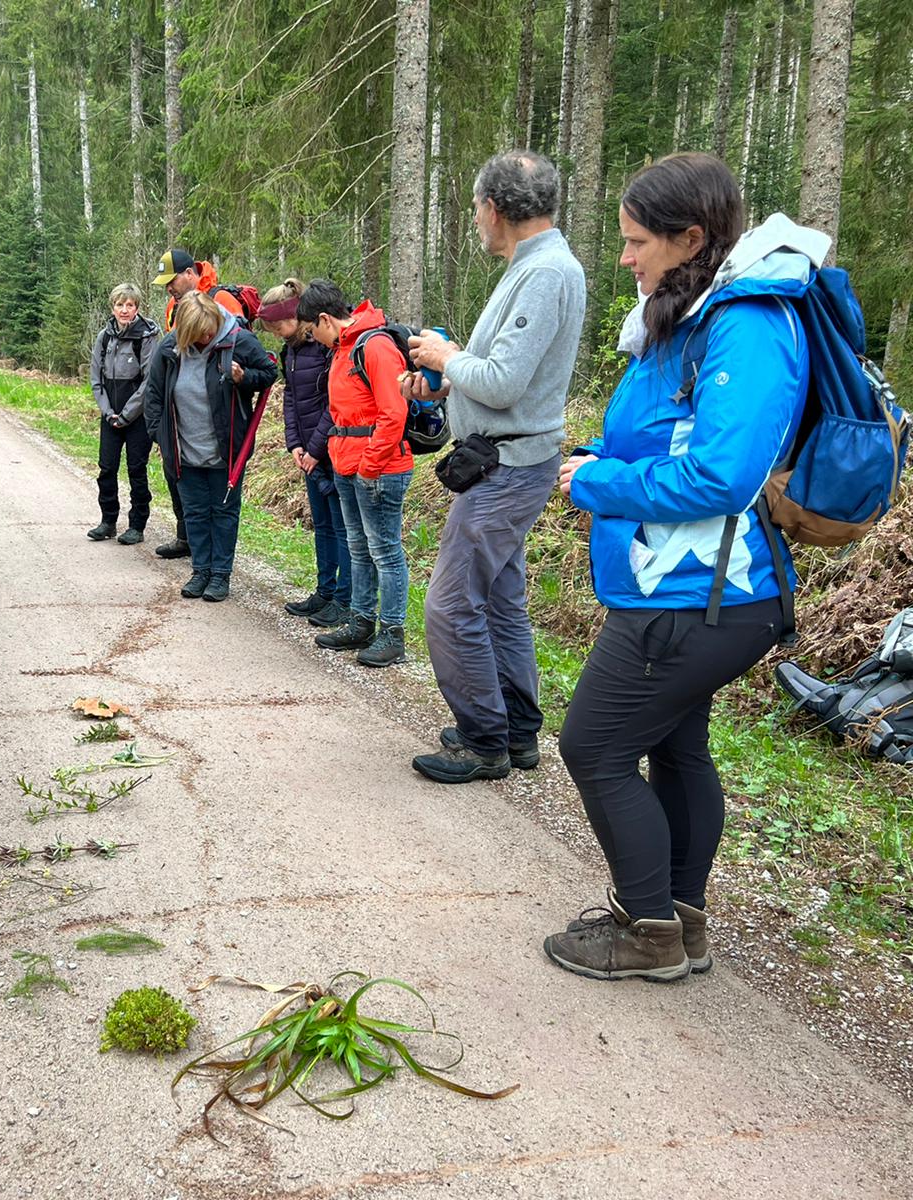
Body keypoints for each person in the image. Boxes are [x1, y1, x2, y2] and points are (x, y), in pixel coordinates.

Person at [543, 153, 812, 982]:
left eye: (637, 241)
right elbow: (668, 438)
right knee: (676, 746)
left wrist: (598, 483)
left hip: (700, 596)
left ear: (691, 238)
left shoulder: (746, 323)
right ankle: (681, 922)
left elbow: (723, 476)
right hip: (689, 588)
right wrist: (601, 456)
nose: (625, 258)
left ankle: (648, 929)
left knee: (594, 748)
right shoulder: (692, 316)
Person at [405, 151, 588, 784]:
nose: (476, 220)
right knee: (502, 602)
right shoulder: (535, 266)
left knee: (450, 605)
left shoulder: (546, 272)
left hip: (507, 469)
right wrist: (444, 383)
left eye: (476, 208)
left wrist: (445, 356)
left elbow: (506, 383)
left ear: (494, 208)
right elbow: (503, 377)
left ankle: (484, 740)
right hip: (505, 462)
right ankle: (515, 730)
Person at [297, 279, 413, 667]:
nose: (313, 339)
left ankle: (392, 633)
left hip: (379, 469)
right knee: (359, 548)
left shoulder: (374, 346)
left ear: (325, 319)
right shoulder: (343, 350)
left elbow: (393, 413)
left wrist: (369, 467)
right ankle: (361, 621)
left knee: (385, 551)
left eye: (312, 331)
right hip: (348, 465)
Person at [142, 290, 276, 603]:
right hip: (184, 451)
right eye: (198, 333)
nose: (206, 337)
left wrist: (244, 377)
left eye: (209, 330)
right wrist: (160, 436)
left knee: (224, 512)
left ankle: (220, 575)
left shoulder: (239, 341)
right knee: (195, 512)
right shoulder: (170, 349)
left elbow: (269, 374)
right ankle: (200, 571)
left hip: (226, 451)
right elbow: (154, 396)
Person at [258, 279, 349, 628]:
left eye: (278, 327)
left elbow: (333, 402)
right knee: (322, 525)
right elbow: (291, 399)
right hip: (308, 452)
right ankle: (325, 591)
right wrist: (294, 443)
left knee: (343, 528)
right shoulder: (291, 351)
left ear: (294, 317)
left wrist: (314, 449)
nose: (276, 334)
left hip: (332, 449)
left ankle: (344, 598)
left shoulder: (325, 346)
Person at [148, 248, 249, 561]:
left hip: (215, 422)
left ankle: (215, 561)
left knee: (217, 501)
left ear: (190, 274)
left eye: (172, 281)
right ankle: (187, 539)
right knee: (180, 486)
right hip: (181, 420)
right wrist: (162, 432)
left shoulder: (222, 300)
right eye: (165, 284)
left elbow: (243, 350)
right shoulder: (174, 306)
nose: (169, 288)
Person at [87, 284, 159, 545]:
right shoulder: (104, 337)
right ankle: (108, 521)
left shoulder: (147, 336)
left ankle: (137, 526)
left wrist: (126, 415)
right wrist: (109, 413)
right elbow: (96, 379)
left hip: (138, 418)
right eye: (120, 305)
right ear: (113, 307)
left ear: (137, 308)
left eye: (130, 305)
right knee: (106, 468)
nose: (125, 310)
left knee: (136, 470)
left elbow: (149, 382)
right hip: (110, 416)